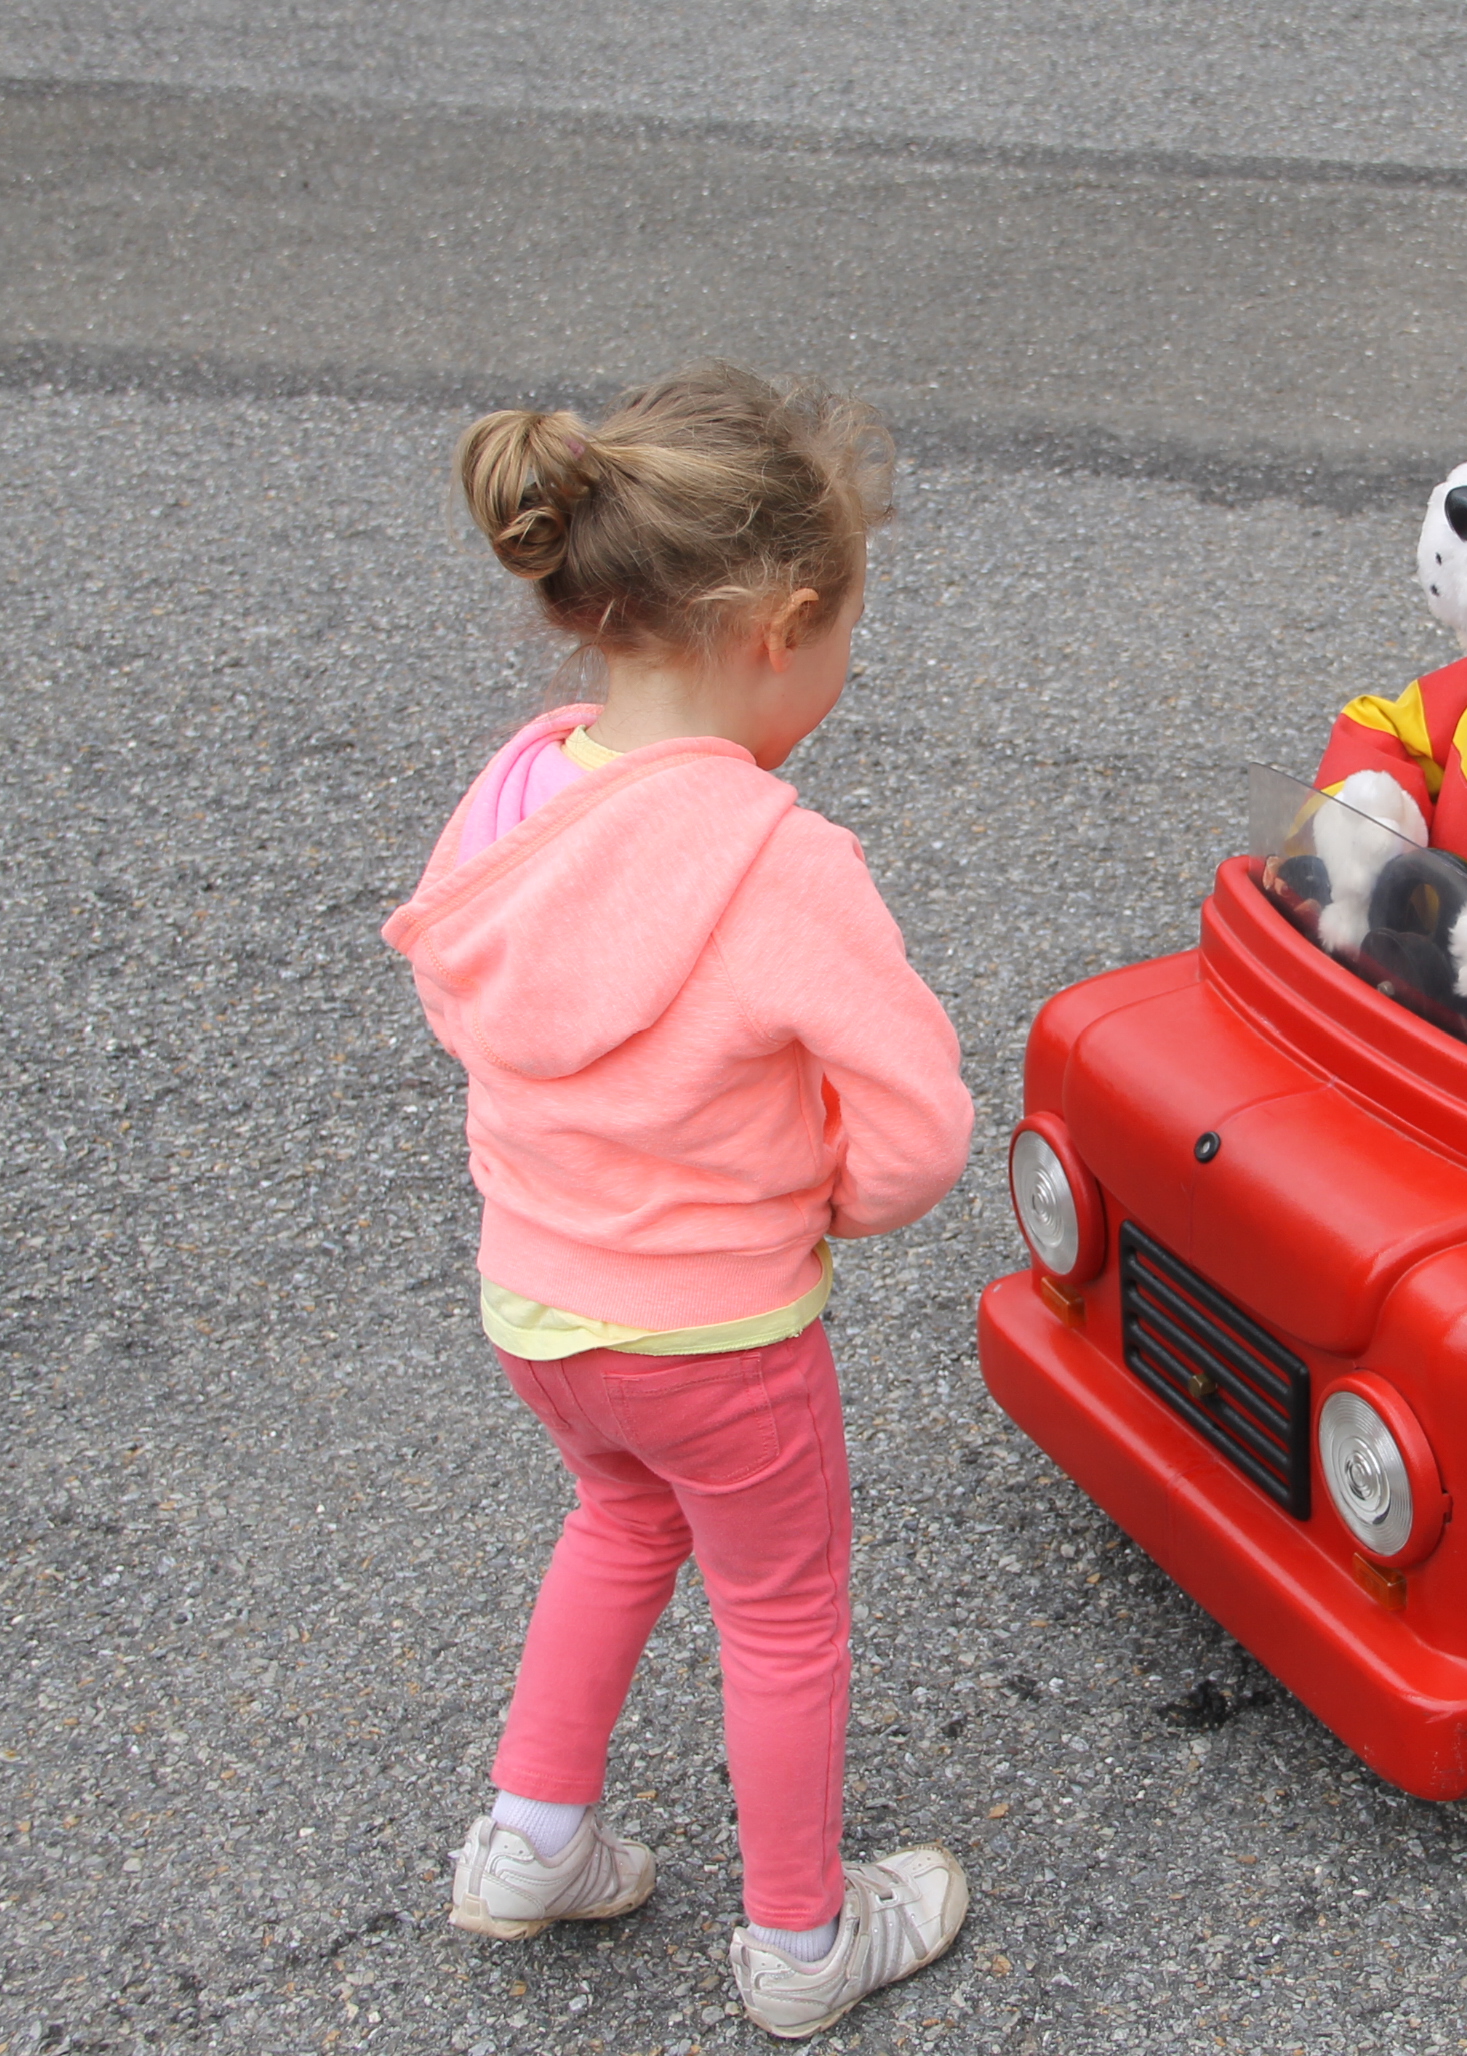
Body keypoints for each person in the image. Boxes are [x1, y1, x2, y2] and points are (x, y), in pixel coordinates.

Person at [383, 363, 977, 2037]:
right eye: (846, 640)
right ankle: (801, 1940)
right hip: (720, 1332)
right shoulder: (778, 862)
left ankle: (530, 1839)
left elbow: (459, 992)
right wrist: (826, 1198)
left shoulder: (516, 792)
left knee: (619, 1521)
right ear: (780, 628)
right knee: (780, 1614)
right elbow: (922, 1129)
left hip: (538, 1306)